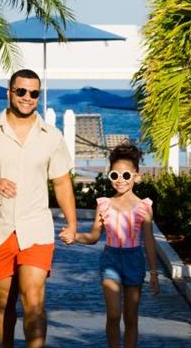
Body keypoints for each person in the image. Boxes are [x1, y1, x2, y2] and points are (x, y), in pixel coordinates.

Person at [0, 68, 78, 348]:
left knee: (33, 297)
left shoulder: (51, 136)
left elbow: (61, 182)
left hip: (36, 227)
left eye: (34, 93)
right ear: (9, 92)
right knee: (4, 302)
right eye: (21, 91)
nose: (27, 97)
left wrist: (72, 224)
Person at [71, 142, 159, 348]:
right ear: (109, 175)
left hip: (134, 261)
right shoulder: (104, 204)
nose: (120, 180)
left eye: (126, 175)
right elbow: (94, 236)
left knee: (130, 318)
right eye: (115, 175)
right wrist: (74, 236)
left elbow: (149, 242)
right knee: (113, 314)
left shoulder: (144, 207)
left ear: (136, 176)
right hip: (110, 260)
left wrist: (153, 272)